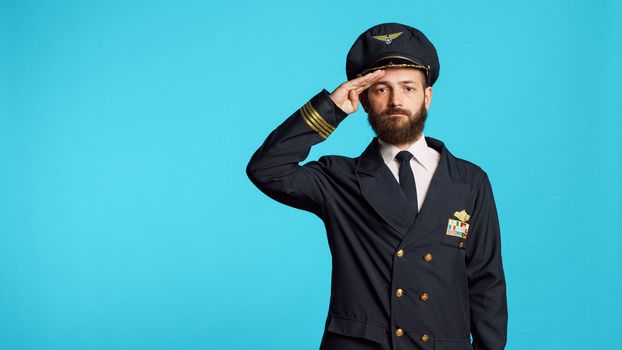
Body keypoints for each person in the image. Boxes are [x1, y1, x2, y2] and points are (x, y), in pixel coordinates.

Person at [246, 22, 507, 350]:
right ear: (365, 100)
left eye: (409, 88)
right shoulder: (337, 179)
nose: (396, 100)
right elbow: (266, 169)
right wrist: (331, 108)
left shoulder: (470, 182)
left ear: (427, 97)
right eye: (382, 89)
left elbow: (486, 283)